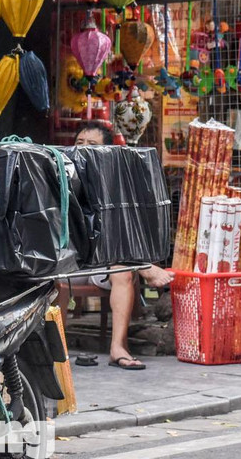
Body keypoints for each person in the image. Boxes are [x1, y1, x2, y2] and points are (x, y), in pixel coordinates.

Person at [73, 121, 172, 370]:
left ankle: (118, 348)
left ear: (107, 152)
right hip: (70, 263)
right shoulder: (63, 175)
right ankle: (145, 267)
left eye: (92, 145)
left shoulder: (114, 185)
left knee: (122, 271)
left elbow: (122, 230)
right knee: (123, 263)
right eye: (79, 143)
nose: (84, 149)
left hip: (101, 264)